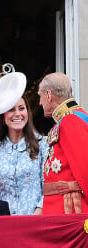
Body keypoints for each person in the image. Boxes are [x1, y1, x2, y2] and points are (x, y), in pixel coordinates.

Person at [0, 97, 48, 215]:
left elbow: (48, 185)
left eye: (21, 108)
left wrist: (38, 213)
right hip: (4, 223)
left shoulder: (42, 144)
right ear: (2, 117)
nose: (18, 114)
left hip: (36, 220)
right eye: (11, 110)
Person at [38, 72, 88, 214]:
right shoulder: (68, 120)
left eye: (40, 96)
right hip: (61, 208)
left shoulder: (70, 121)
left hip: (69, 209)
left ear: (48, 95)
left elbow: (85, 170)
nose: (40, 103)